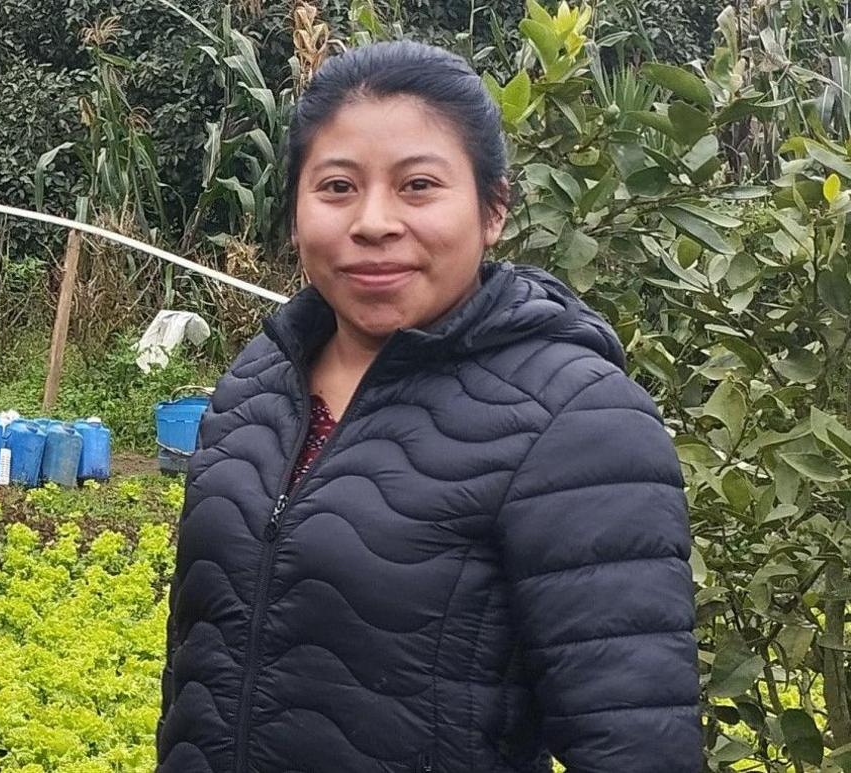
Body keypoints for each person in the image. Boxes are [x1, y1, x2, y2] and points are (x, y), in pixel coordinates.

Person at [156, 41, 700, 773]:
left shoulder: (579, 419)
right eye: (338, 187)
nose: (374, 221)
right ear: (294, 211)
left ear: (493, 209)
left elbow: (637, 745)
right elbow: (203, 664)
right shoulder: (260, 380)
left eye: (417, 186)